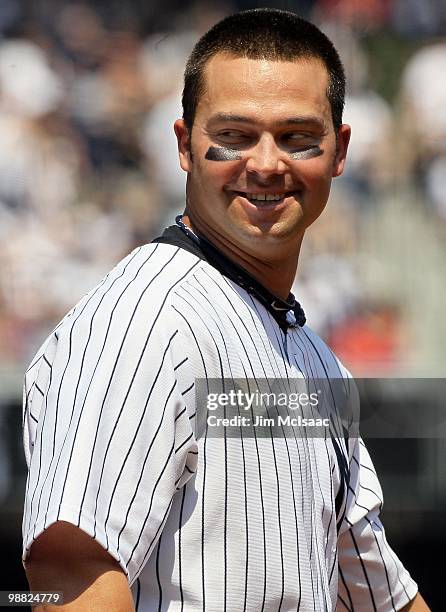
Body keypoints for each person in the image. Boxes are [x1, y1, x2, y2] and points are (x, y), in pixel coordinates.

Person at [22, 8, 429, 611]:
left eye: (297, 137)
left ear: (339, 151)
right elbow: (70, 573)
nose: (266, 164)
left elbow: (378, 593)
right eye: (234, 136)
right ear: (186, 145)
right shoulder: (147, 319)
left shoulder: (313, 358)